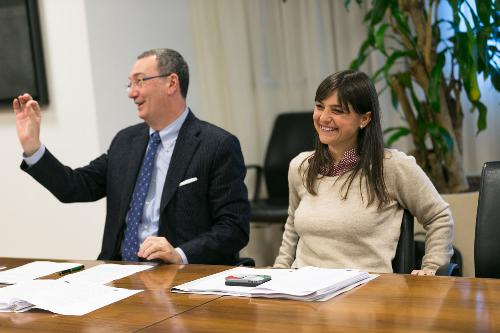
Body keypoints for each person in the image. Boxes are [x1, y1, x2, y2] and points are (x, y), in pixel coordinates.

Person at [13, 48, 250, 265]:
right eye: (129, 83)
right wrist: (33, 148)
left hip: (179, 277)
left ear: (171, 83)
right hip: (116, 273)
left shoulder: (217, 145)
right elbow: (75, 187)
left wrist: (179, 254)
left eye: (139, 81)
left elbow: (233, 228)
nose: (131, 92)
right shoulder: (125, 142)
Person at [273, 70, 454, 275]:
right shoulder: (301, 166)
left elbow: (439, 216)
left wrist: (431, 269)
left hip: (365, 294)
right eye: (319, 106)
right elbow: (292, 227)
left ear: (365, 119)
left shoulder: (392, 166)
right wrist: (279, 272)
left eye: (337, 110)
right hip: (304, 291)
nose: (324, 117)